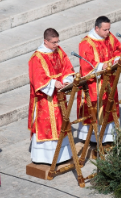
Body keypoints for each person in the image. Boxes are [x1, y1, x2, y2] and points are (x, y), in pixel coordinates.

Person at [28, 28, 75, 164]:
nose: (56, 45)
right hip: (45, 99)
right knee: (46, 126)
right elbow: (37, 78)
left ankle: (63, 156)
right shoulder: (36, 58)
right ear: (46, 41)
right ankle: (45, 158)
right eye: (54, 42)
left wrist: (67, 80)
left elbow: (67, 67)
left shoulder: (58, 51)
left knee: (61, 123)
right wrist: (53, 83)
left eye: (57, 41)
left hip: (59, 96)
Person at [76, 16, 121, 144]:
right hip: (93, 84)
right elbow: (86, 65)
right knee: (96, 110)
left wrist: (117, 59)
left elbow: (119, 49)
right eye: (105, 30)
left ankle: (109, 137)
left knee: (110, 106)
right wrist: (100, 66)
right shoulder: (85, 43)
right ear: (97, 28)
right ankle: (93, 138)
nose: (108, 32)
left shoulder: (109, 37)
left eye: (109, 29)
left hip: (109, 80)